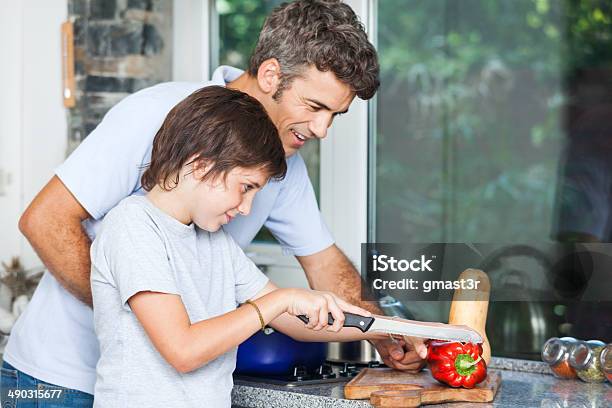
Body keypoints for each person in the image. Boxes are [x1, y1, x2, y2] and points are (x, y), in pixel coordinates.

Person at [2, 0, 427, 404]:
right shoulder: (159, 114)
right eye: (315, 107)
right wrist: (153, 318)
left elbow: (324, 267)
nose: (322, 130)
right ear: (270, 75)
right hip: (60, 377)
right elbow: (45, 220)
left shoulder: (280, 168)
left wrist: (385, 332)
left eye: (336, 115)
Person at [91, 85, 376, 407]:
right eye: (245, 187)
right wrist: (281, 299)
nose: (246, 209)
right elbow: (183, 351)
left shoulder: (214, 242)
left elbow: (294, 323)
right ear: (200, 165)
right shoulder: (132, 226)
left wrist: (385, 329)